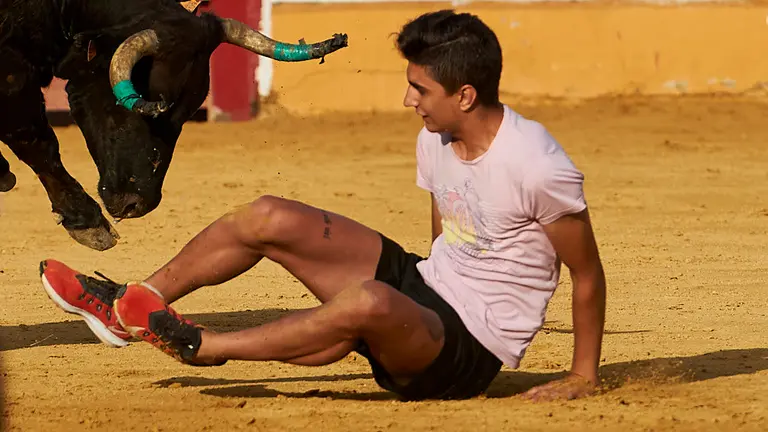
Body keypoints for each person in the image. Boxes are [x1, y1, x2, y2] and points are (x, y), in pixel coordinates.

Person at [39, 9, 606, 402]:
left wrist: (582, 374)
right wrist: (387, 317)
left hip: (465, 352)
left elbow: (586, 274)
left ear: (465, 95)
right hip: (428, 289)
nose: (408, 100)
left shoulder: (537, 163)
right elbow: (443, 235)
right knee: (268, 214)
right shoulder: (435, 135)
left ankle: (205, 346)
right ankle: (134, 305)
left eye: (421, 90)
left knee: (367, 301)